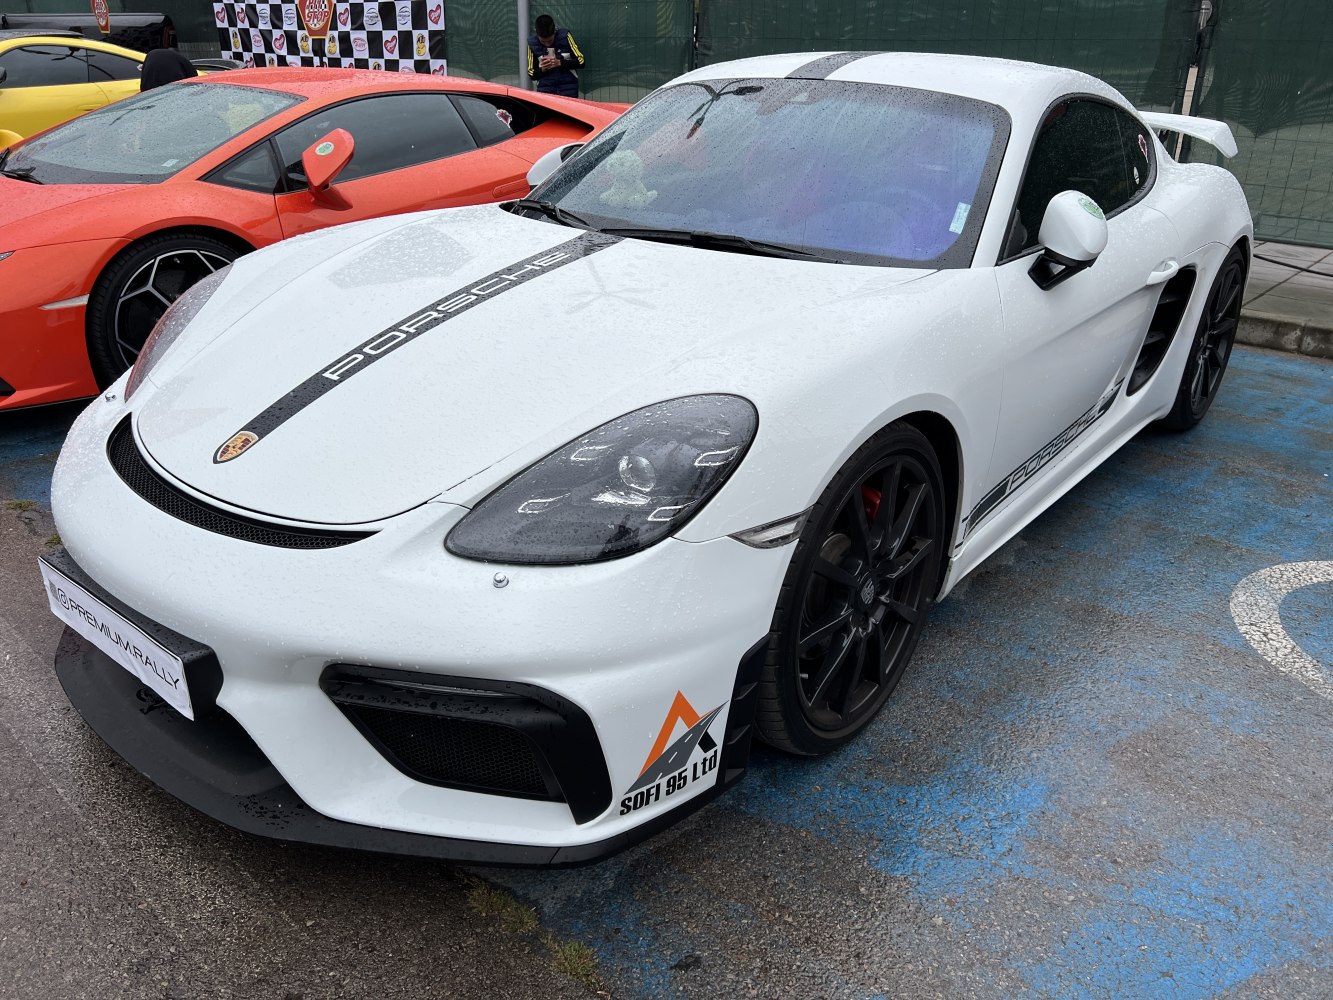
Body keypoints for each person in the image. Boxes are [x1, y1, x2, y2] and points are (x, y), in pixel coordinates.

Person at [527, 14, 584, 98]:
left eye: (550, 40)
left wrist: (560, 63)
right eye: (543, 41)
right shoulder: (532, 43)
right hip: (546, 92)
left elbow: (581, 61)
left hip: (568, 89)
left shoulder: (565, 36)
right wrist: (543, 69)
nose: (547, 44)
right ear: (537, 34)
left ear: (554, 31)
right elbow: (531, 73)